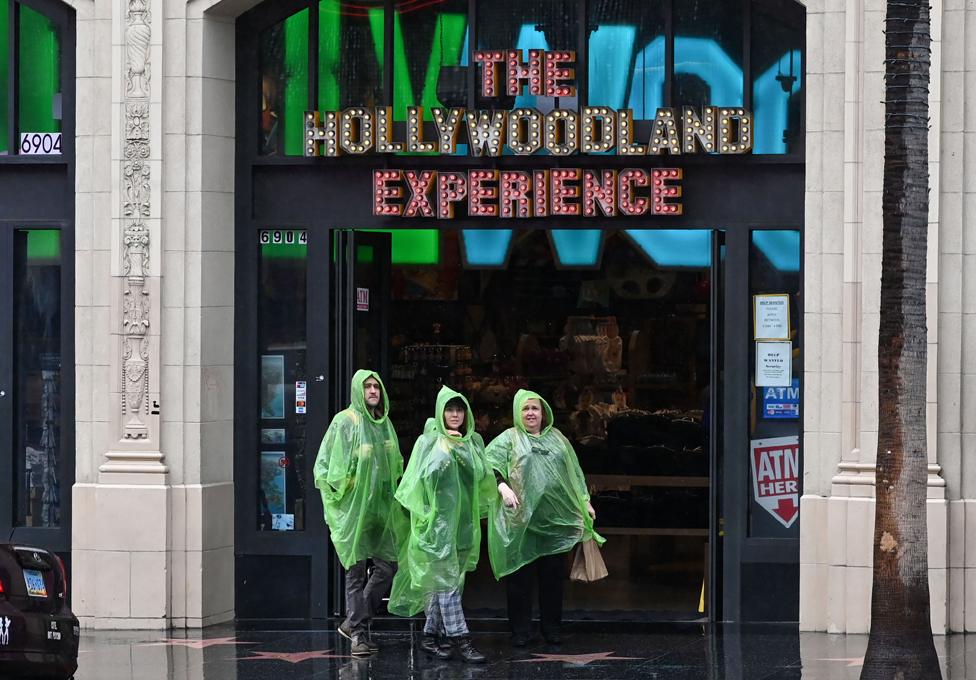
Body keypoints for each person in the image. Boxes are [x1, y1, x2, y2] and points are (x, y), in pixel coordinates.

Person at [485, 389, 604, 647]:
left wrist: (585, 502)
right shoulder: (509, 439)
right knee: (520, 579)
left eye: (535, 409)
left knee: (552, 579)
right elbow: (488, 465)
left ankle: (552, 628)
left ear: (544, 412)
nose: (530, 413)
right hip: (521, 523)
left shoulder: (558, 439)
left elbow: (574, 474)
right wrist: (502, 487)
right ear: (518, 412)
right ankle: (521, 631)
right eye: (525, 408)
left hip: (554, 522)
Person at [388, 386, 492, 664]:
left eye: (459, 409)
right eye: (449, 409)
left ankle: (430, 637)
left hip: (463, 526)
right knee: (446, 582)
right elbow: (421, 479)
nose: (455, 414)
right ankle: (462, 638)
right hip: (436, 527)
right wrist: (446, 448)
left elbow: (482, 475)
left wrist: (462, 448)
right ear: (440, 412)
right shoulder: (428, 442)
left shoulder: (474, 441)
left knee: (446, 585)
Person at [314, 370, 408, 657]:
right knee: (355, 571)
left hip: (380, 511)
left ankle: (352, 621)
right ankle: (358, 635)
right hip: (354, 511)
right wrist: (343, 494)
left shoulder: (383, 424)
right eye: (366, 386)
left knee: (387, 567)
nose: (372, 391)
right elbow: (325, 464)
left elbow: (393, 466)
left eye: (376, 386)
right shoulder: (344, 422)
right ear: (358, 390)